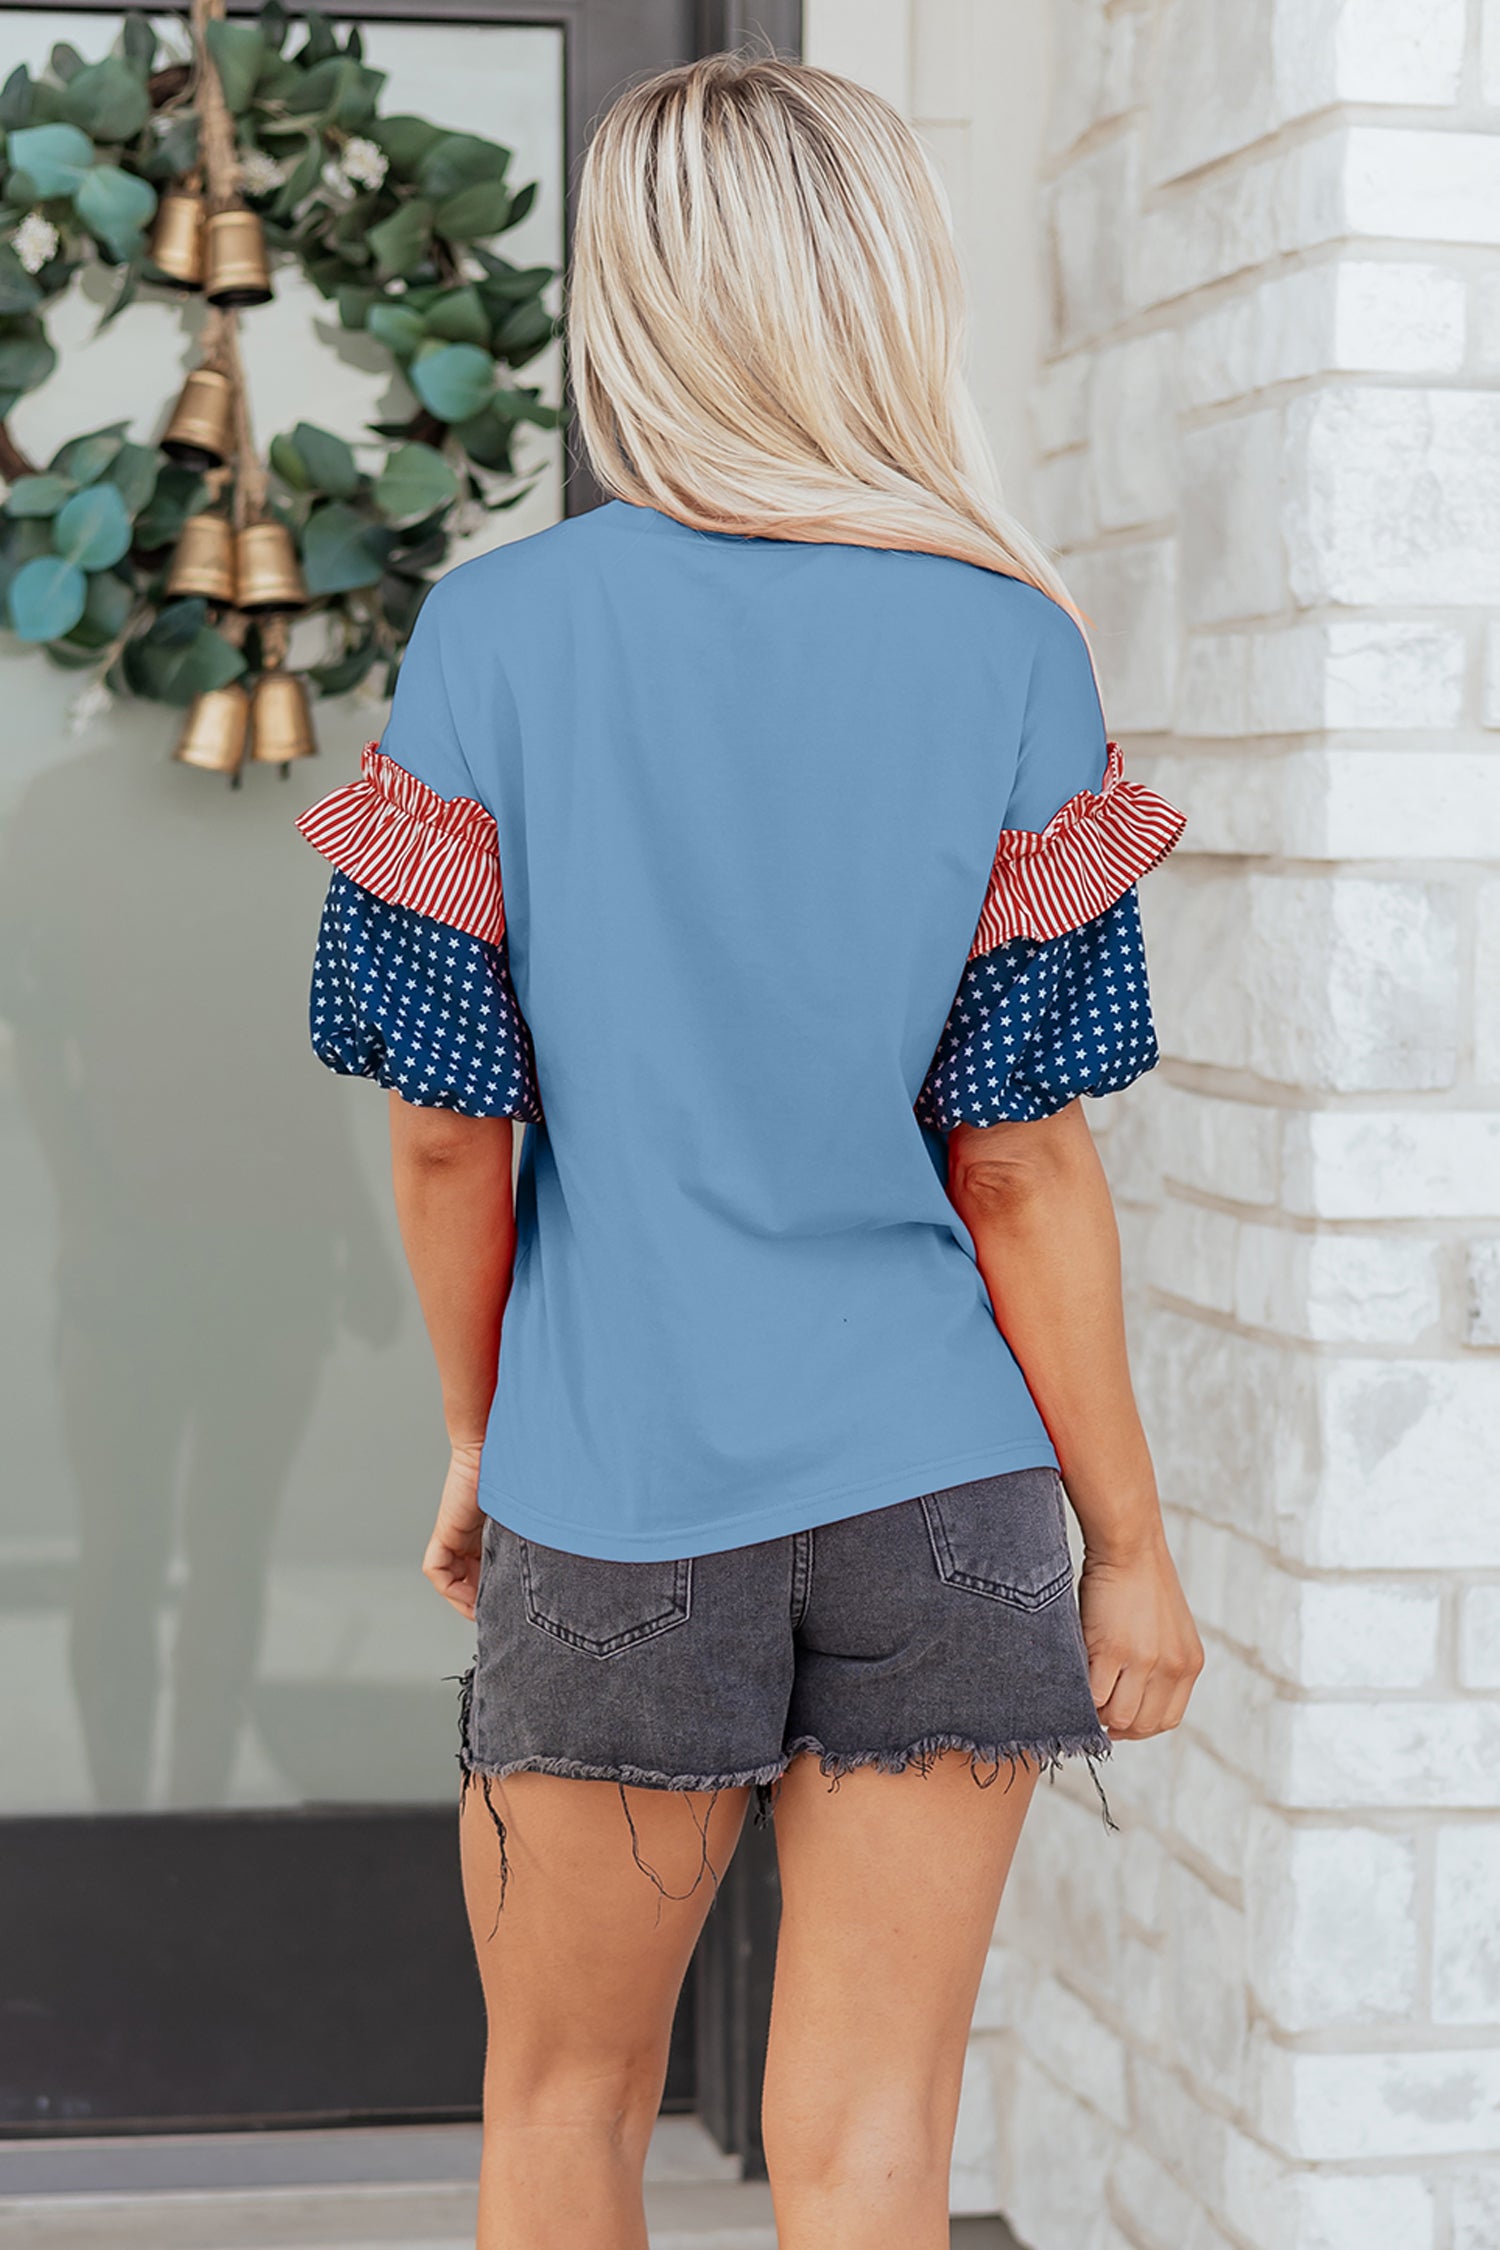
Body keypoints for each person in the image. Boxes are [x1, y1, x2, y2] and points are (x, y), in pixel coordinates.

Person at [297, 52, 1203, 2250]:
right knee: (877, 2141)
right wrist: (1130, 1544)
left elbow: (445, 1129)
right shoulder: (1011, 640)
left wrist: (476, 1429)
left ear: (633, 296)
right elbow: (1022, 1161)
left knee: (564, 2111)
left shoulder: (499, 630)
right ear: (881, 290)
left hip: (615, 1482)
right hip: (946, 1491)